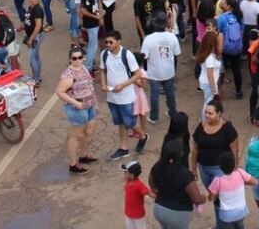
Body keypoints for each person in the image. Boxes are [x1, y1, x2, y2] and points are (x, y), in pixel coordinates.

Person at [189, 98, 239, 225]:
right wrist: (193, 167)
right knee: (216, 197)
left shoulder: (228, 129)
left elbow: (235, 150)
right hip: (204, 169)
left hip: (220, 170)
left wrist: (233, 169)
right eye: (206, 112)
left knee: (219, 198)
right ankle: (228, 223)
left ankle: (222, 225)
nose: (206, 115)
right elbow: (195, 149)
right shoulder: (201, 126)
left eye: (210, 113)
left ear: (219, 114)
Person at [100, 30, 143, 163]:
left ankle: (142, 136)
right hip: (112, 96)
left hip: (125, 96)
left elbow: (137, 74)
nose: (108, 44)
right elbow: (102, 70)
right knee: (120, 122)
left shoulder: (127, 55)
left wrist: (123, 86)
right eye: (106, 42)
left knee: (129, 121)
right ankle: (123, 148)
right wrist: (103, 83)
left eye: (111, 42)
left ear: (119, 42)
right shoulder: (104, 54)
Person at [55, 45, 98, 174]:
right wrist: (76, 103)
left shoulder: (83, 68)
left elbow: (90, 85)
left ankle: (83, 156)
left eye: (80, 57)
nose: (77, 60)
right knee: (76, 136)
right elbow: (60, 92)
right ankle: (73, 164)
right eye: (74, 58)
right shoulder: (68, 75)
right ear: (70, 60)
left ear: (83, 58)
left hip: (89, 106)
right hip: (77, 109)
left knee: (89, 132)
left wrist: (95, 102)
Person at [149, 138, 205, 229]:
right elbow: (197, 199)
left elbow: (152, 185)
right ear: (181, 154)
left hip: (159, 210)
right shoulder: (186, 175)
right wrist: (203, 198)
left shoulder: (156, 166)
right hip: (178, 214)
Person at [141, 13, 181, 123]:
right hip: (169, 71)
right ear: (166, 24)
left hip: (154, 72)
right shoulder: (172, 36)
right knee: (170, 92)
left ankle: (154, 116)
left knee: (154, 94)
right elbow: (177, 53)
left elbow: (144, 56)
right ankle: (172, 112)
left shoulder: (148, 39)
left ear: (154, 24)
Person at [207, 150, 258, 229]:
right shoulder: (240, 173)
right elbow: (255, 182)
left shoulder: (217, 180)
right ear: (234, 164)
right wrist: (241, 183)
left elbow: (211, 198)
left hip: (227, 216)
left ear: (220, 167)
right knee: (240, 226)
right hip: (241, 212)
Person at [22, 0, 45, 86]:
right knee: (36, 56)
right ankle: (38, 77)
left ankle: (36, 80)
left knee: (31, 58)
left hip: (36, 36)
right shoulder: (31, 7)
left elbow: (38, 26)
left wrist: (31, 38)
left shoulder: (37, 10)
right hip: (33, 36)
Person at [122, 160, 154, 229]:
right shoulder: (127, 182)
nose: (124, 174)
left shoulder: (139, 185)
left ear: (131, 175)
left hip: (138, 215)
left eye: (125, 172)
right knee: (129, 227)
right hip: (128, 213)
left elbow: (149, 193)